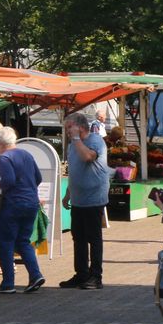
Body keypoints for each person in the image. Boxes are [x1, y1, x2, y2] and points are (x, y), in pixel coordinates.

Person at [0, 127, 45, 295]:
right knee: (23, 241)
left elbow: (9, 181)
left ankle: (8, 283)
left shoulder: (4, 158)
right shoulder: (26, 154)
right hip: (31, 203)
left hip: (13, 204)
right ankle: (35, 274)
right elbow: (38, 178)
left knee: (6, 242)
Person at [60, 112, 109, 290]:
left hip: (94, 198)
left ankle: (96, 277)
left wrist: (76, 139)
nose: (66, 131)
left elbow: (88, 157)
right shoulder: (73, 145)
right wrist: (67, 194)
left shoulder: (95, 140)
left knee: (93, 238)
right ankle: (81, 274)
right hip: (78, 199)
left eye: (68, 127)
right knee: (78, 238)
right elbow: (74, 171)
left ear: (79, 127)